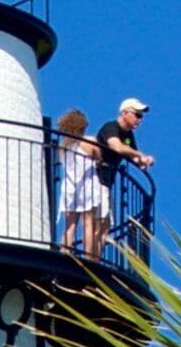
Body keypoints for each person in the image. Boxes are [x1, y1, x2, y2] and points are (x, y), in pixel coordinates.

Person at [93, 99, 154, 260]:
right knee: (99, 221)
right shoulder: (111, 127)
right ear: (124, 113)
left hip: (106, 181)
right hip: (96, 179)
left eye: (141, 117)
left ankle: (94, 258)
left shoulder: (128, 135)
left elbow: (133, 155)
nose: (139, 120)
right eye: (137, 115)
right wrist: (139, 155)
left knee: (105, 223)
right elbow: (117, 147)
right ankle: (89, 258)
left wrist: (143, 160)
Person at [53, 108, 107, 255]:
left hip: (69, 187)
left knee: (70, 225)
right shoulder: (89, 142)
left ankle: (65, 252)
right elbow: (100, 159)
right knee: (88, 223)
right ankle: (88, 257)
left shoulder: (63, 147)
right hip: (87, 186)